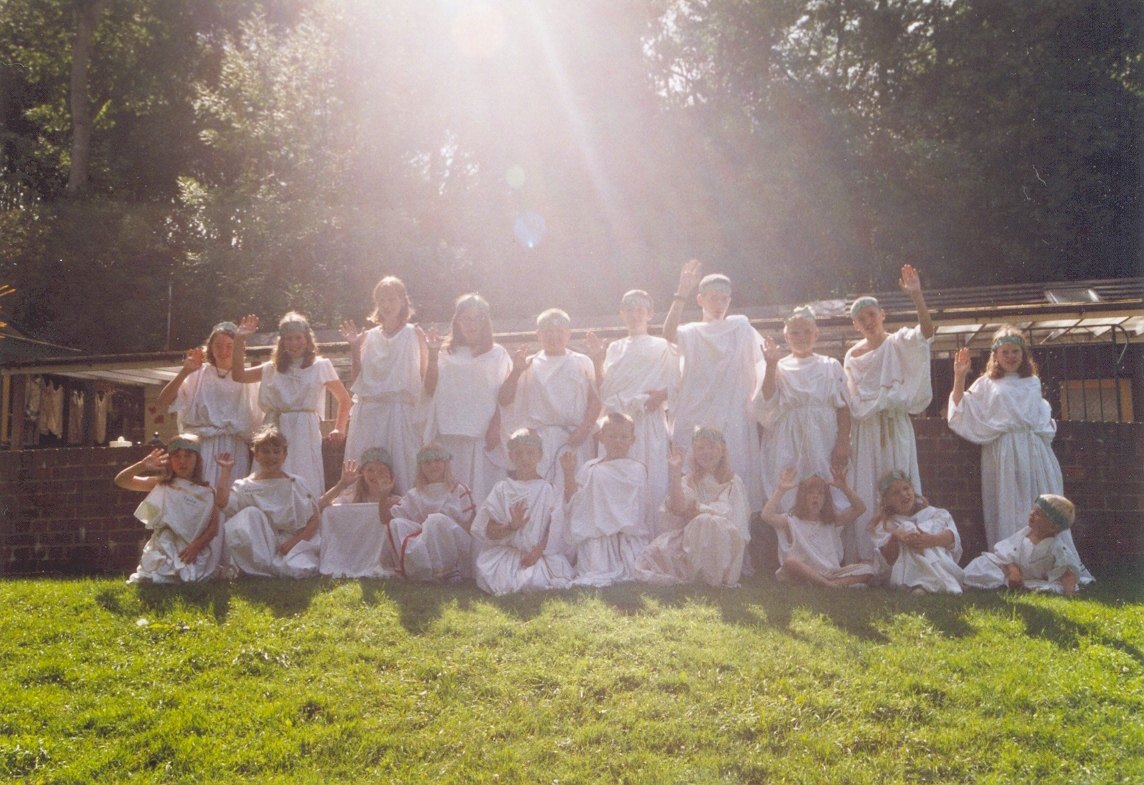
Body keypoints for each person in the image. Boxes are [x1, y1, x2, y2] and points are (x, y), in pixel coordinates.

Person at [843, 264, 935, 562]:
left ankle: (912, 554)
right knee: (868, 486)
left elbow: (927, 333)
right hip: (866, 430)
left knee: (901, 487)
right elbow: (850, 398)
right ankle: (871, 555)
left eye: (872, 314)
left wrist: (916, 296)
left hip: (895, 426)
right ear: (855, 325)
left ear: (882, 315)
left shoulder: (898, 341)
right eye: (860, 318)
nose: (867, 321)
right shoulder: (851, 355)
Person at [947, 327, 1065, 548]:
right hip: (1003, 452)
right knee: (1009, 505)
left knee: (1036, 503)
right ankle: (1013, 558)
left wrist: (1045, 423)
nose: (1011, 357)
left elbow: (1040, 414)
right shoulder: (987, 383)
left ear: (1023, 354)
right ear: (996, 355)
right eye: (1005, 352)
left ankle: (1043, 556)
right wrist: (959, 376)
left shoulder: (1032, 382)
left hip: (1033, 451)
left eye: (1016, 351)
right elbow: (962, 407)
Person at [663, 260, 763, 508]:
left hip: (732, 415)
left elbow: (763, 363)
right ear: (700, 300)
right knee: (693, 478)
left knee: (731, 476)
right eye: (712, 299)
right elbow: (668, 334)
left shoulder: (740, 326)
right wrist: (681, 293)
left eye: (723, 299)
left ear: (729, 301)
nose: (718, 305)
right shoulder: (693, 331)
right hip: (695, 414)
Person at [585, 290, 679, 535]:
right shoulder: (615, 347)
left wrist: (662, 394)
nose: (636, 315)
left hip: (649, 422)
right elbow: (605, 390)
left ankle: (653, 542)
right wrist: (597, 360)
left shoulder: (662, 345)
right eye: (630, 310)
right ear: (622, 314)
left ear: (650, 315)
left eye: (641, 310)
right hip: (617, 425)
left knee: (652, 481)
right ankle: (618, 543)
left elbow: (681, 380)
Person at [231, 312, 352, 500]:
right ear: (282, 342)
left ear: (307, 339)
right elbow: (239, 375)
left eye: (298, 338)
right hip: (275, 428)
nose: (294, 343)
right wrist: (239, 340)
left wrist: (339, 429)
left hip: (305, 430)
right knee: (270, 480)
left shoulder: (321, 366)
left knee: (305, 479)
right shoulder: (271, 368)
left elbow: (344, 399)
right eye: (288, 339)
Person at [753, 306, 850, 511]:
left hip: (823, 437)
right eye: (795, 332)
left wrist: (842, 442)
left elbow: (843, 407)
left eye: (807, 331)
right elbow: (766, 400)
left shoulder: (830, 365)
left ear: (816, 334)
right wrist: (771, 365)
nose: (801, 337)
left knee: (827, 489)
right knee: (790, 490)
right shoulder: (778, 366)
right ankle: (792, 537)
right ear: (786, 337)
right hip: (787, 440)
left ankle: (827, 539)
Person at [340, 276, 428, 494]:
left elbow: (424, 377)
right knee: (366, 469)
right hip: (370, 414)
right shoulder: (366, 337)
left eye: (392, 299)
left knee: (404, 467)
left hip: (402, 413)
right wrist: (353, 347)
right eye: (382, 300)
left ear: (403, 301)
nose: (387, 305)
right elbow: (356, 381)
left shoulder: (414, 333)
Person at [423, 294, 512, 505]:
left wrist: (496, 427)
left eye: (477, 318)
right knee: (452, 502)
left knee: (483, 500)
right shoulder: (445, 352)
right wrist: (433, 354)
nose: (471, 324)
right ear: (457, 321)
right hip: (449, 437)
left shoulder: (497, 354)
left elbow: (504, 396)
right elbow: (429, 389)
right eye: (466, 318)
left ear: (485, 322)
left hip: (482, 440)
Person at [632, 428, 750, 587]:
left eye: (712, 446)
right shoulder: (689, 480)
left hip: (723, 541)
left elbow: (732, 517)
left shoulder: (733, 481)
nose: (706, 452)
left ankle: (713, 576)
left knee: (707, 521)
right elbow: (677, 507)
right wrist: (675, 471)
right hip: (691, 539)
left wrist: (698, 511)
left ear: (722, 451)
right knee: (654, 555)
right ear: (694, 453)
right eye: (700, 448)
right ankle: (697, 575)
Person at [500, 308, 600, 492]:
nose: (554, 336)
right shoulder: (527, 363)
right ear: (538, 334)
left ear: (568, 334)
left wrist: (585, 429)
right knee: (542, 493)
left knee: (575, 493)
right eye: (548, 331)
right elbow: (504, 399)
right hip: (539, 444)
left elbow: (595, 400)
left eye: (559, 331)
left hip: (575, 439)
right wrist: (516, 372)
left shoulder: (582, 361)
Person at [470, 429, 576, 595]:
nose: (525, 458)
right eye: (519, 453)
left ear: (540, 455)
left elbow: (554, 528)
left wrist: (538, 551)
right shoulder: (502, 489)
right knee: (502, 580)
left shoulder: (547, 489)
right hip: (506, 554)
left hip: (537, 554)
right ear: (511, 456)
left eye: (530, 453)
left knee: (536, 581)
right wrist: (511, 526)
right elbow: (487, 530)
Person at [157, 321, 262, 487]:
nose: (223, 351)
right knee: (202, 493)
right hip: (202, 446)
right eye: (218, 346)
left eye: (229, 346)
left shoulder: (246, 376)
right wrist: (184, 372)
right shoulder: (197, 373)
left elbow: (258, 420)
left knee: (229, 496)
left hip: (233, 446)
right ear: (210, 348)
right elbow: (163, 401)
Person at [114, 434, 229, 583]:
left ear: (198, 460)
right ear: (169, 460)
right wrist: (141, 466)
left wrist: (196, 547)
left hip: (192, 550)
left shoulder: (206, 491)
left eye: (188, 456)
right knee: (160, 576)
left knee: (193, 577)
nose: (182, 461)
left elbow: (213, 528)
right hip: (164, 547)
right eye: (176, 456)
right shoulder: (162, 484)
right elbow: (121, 481)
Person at [560, 413, 649, 587]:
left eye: (623, 437)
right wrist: (568, 474)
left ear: (632, 440)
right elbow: (574, 505)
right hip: (596, 541)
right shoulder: (591, 468)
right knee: (596, 574)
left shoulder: (638, 469)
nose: (618, 441)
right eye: (612, 436)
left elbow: (640, 512)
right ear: (601, 438)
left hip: (627, 540)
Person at [219, 426, 321, 578]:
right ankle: (262, 567)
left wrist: (294, 542)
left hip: (291, 542)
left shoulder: (296, 483)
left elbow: (314, 519)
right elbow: (222, 503)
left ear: (284, 455)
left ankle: (274, 567)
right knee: (248, 514)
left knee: (297, 570)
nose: (271, 456)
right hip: (261, 543)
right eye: (265, 451)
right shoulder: (245, 485)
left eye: (276, 451)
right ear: (256, 455)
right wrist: (226, 472)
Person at [760, 467, 875, 588]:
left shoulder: (830, 522)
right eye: (810, 492)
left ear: (825, 499)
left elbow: (860, 508)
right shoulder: (791, 521)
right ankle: (834, 586)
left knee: (868, 569)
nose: (816, 496)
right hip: (803, 572)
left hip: (831, 573)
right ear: (803, 497)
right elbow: (766, 516)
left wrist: (844, 488)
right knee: (790, 563)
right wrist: (780, 490)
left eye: (820, 493)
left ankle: (828, 585)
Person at [383, 443, 477, 582]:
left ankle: (448, 569)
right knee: (396, 524)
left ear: (445, 463)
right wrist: (383, 496)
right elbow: (386, 519)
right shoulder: (415, 494)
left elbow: (473, 525)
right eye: (427, 462)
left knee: (436, 520)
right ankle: (420, 570)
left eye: (437, 461)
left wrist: (441, 528)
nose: (433, 465)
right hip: (426, 539)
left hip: (456, 543)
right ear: (421, 467)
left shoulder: (458, 489)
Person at [964, 494, 1094, 595]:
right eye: (1033, 510)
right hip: (1013, 572)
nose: (1031, 514)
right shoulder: (1023, 534)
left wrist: (1069, 593)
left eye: (1038, 514)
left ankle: (1007, 585)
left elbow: (1068, 572)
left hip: (1033, 579)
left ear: (1053, 527)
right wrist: (1013, 571)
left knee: (1050, 587)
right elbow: (1006, 552)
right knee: (983, 562)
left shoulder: (1056, 547)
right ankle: (969, 581)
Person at [869, 471, 963, 594]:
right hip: (903, 573)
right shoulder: (885, 526)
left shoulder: (934, 513)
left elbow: (951, 537)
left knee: (915, 531)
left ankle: (927, 584)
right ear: (887, 501)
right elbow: (887, 561)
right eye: (895, 493)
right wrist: (895, 537)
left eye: (906, 488)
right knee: (908, 529)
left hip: (940, 562)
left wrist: (930, 540)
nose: (903, 494)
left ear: (913, 489)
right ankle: (928, 583)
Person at [317, 447, 401, 579]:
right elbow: (321, 506)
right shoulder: (351, 497)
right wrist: (342, 484)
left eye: (381, 470)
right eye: (370, 470)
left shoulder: (396, 501)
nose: (375, 475)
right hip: (353, 555)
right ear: (363, 473)